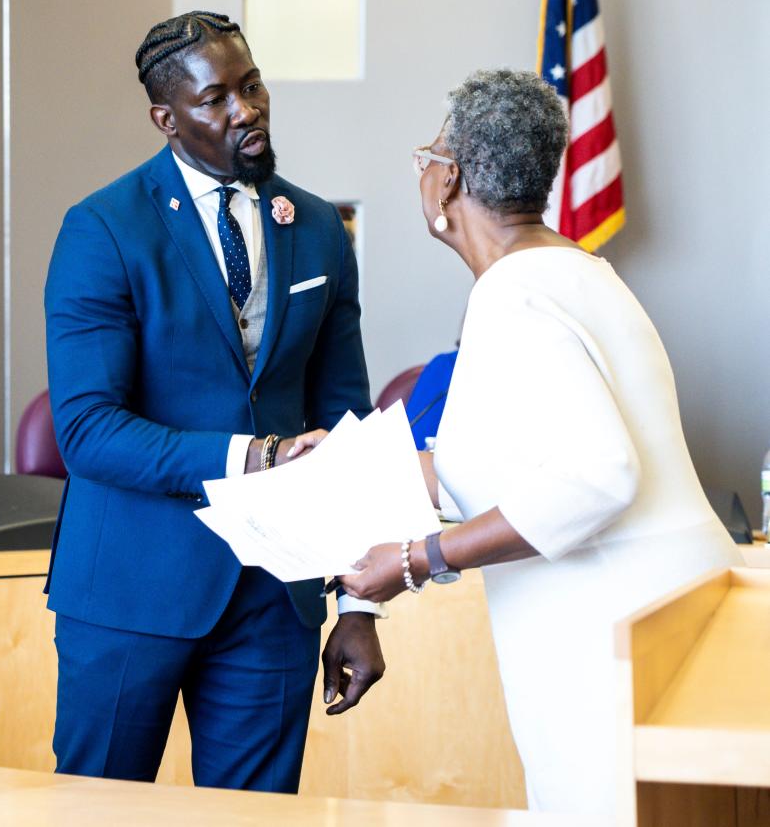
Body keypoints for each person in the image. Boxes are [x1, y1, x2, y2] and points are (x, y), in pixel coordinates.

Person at [298, 68, 741, 814]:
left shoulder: (514, 295)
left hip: (620, 638)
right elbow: (491, 464)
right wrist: (345, 465)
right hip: (672, 616)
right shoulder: (575, 273)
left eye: (428, 157)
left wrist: (416, 560)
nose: (425, 171)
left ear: (449, 183)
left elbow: (598, 476)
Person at [43, 11, 384, 794]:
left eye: (253, 85)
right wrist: (254, 457)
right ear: (166, 118)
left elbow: (344, 423)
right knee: (97, 813)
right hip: (131, 588)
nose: (247, 110)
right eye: (216, 99)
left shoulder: (321, 229)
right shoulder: (103, 229)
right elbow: (89, 431)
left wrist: (362, 604)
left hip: (275, 599)